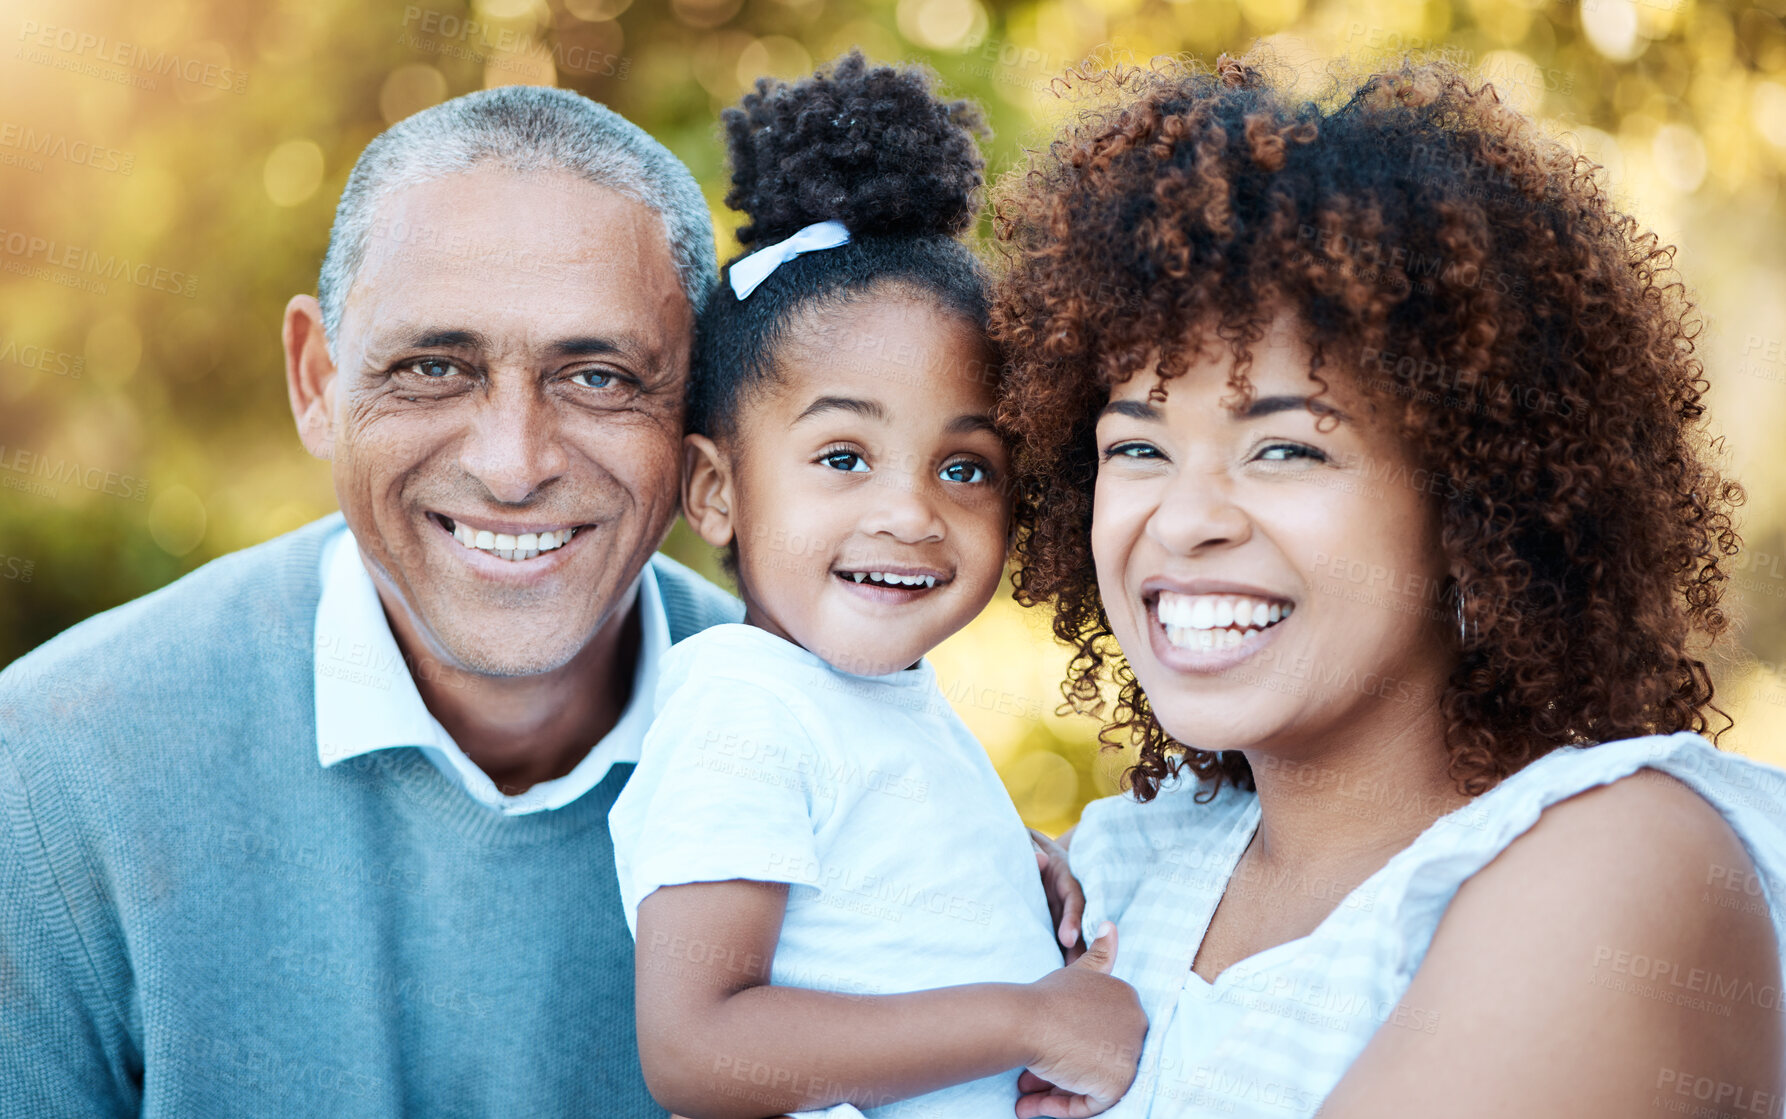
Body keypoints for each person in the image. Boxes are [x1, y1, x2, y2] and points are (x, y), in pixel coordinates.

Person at [992, 56, 1786, 1117]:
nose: (1183, 519)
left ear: (1474, 501)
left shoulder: (1616, 862)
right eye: (1136, 450)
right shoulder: (1113, 873)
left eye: (1284, 450)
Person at [0, 86, 742, 1116]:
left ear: (702, 405)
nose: (514, 465)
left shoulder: (856, 763)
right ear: (317, 381)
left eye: (600, 377)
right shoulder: (52, 772)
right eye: (434, 367)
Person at [606, 53, 1146, 1119]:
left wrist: (1001, 864)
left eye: (965, 467)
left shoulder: (865, 698)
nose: (911, 512)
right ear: (715, 493)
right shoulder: (741, 711)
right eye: (843, 457)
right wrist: (1028, 1018)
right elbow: (698, 1046)